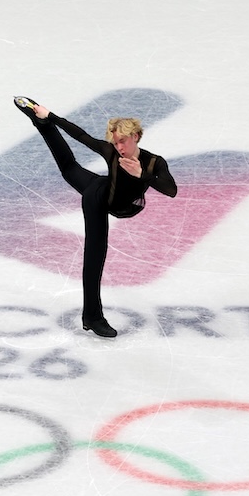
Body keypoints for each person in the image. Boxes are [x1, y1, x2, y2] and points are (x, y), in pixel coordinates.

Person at [14, 96, 178, 338]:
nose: (119, 147)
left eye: (122, 141)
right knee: (95, 255)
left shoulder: (154, 163)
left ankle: (43, 125)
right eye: (115, 141)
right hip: (97, 199)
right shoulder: (111, 152)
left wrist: (143, 174)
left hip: (107, 190)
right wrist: (50, 116)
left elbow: (171, 190)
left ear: (136, 136)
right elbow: (81, 136)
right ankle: (92, 316)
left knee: (70, 168)